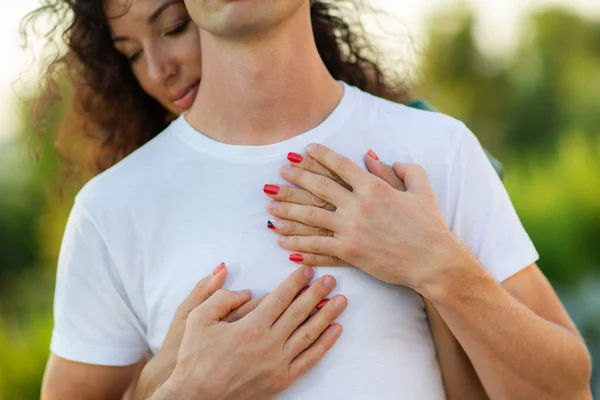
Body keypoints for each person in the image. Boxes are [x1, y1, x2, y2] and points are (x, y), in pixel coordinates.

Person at [29, 0, 591, 399]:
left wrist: (435, 263)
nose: (159, 68)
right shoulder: (110, 209)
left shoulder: (435, 149)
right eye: (133, 51)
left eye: (170, 29)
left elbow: (567, 391)